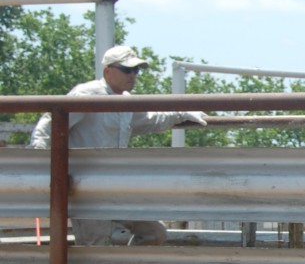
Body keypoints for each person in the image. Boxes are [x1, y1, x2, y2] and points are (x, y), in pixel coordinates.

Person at [28, 45, 208, 246]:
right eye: (126, 70)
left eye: (136, 70)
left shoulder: (126, 102)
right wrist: (44, 165)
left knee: (154, 233)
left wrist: (182, 113)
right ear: (108, 71)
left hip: (116, 185)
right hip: (85, 189)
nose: (133, 75)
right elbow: (50, 123)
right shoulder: (87, 94)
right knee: (97, 246)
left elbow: (150, 119)